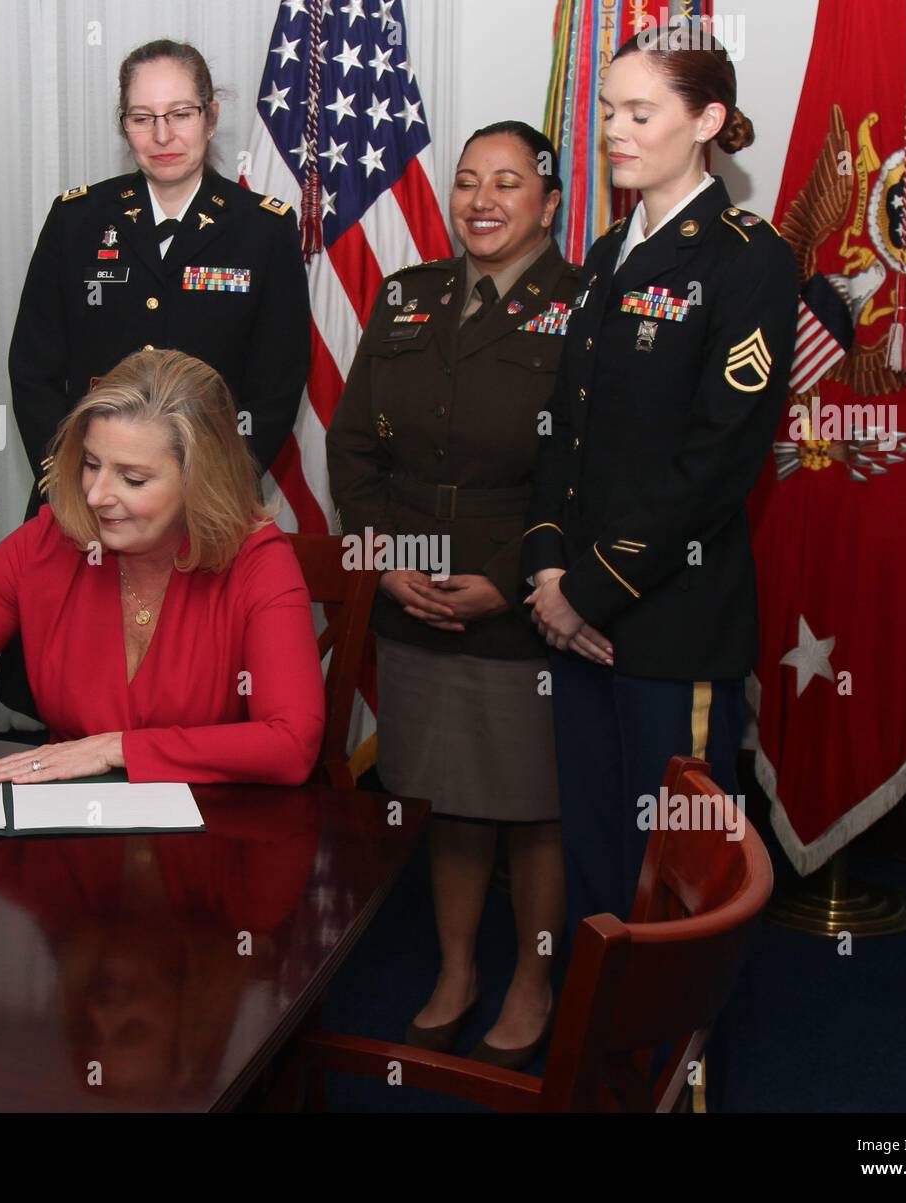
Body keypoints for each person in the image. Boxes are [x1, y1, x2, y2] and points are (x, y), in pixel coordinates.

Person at [524, 24, 800, 932]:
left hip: (670, 625)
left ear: (708, 119)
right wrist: (549, 573)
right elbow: (562, 431)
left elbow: (717, 461)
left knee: (680, 883)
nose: (614, 129)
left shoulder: (747, 258)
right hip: (577, 617)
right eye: (608, 110)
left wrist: (591, 594)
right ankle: (595, 1066)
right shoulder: (607, 254)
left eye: (640, 112)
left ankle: (678, 1077)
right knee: (599, 861)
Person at [328, 122, 579, 1070]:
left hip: (525, 604)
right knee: (451, 800)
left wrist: (512, 584)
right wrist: (380, 555)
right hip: (413, 594)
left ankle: (533, 980)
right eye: (468, 180)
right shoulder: (407, 297)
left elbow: (597, 475)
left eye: (508, 182)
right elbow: (354, 447)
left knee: (533, 806)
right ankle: (458, 967)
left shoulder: (585, 304)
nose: (482, 198)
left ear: (548, 204)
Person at [0, 350, 324, 798]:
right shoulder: (47, 544)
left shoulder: (258, 562)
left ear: (200, 481)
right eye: (90, 464)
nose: (96, 495)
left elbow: (290, 742)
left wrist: (118, 749)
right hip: (72, 840)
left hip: (215, 846)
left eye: (132, 478)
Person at [0, 38, 311, 720]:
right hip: (88, 505)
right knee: (70, 705)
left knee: (191, 711)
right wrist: (78, 486)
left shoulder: (262, 231)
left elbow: (277, 386)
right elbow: (35, 369)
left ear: (211, 114)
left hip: (206, 521)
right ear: (123, 124)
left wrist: (214, 495)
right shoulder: (79, 219)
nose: (163, 135)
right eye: (142, 117)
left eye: (181, 113)